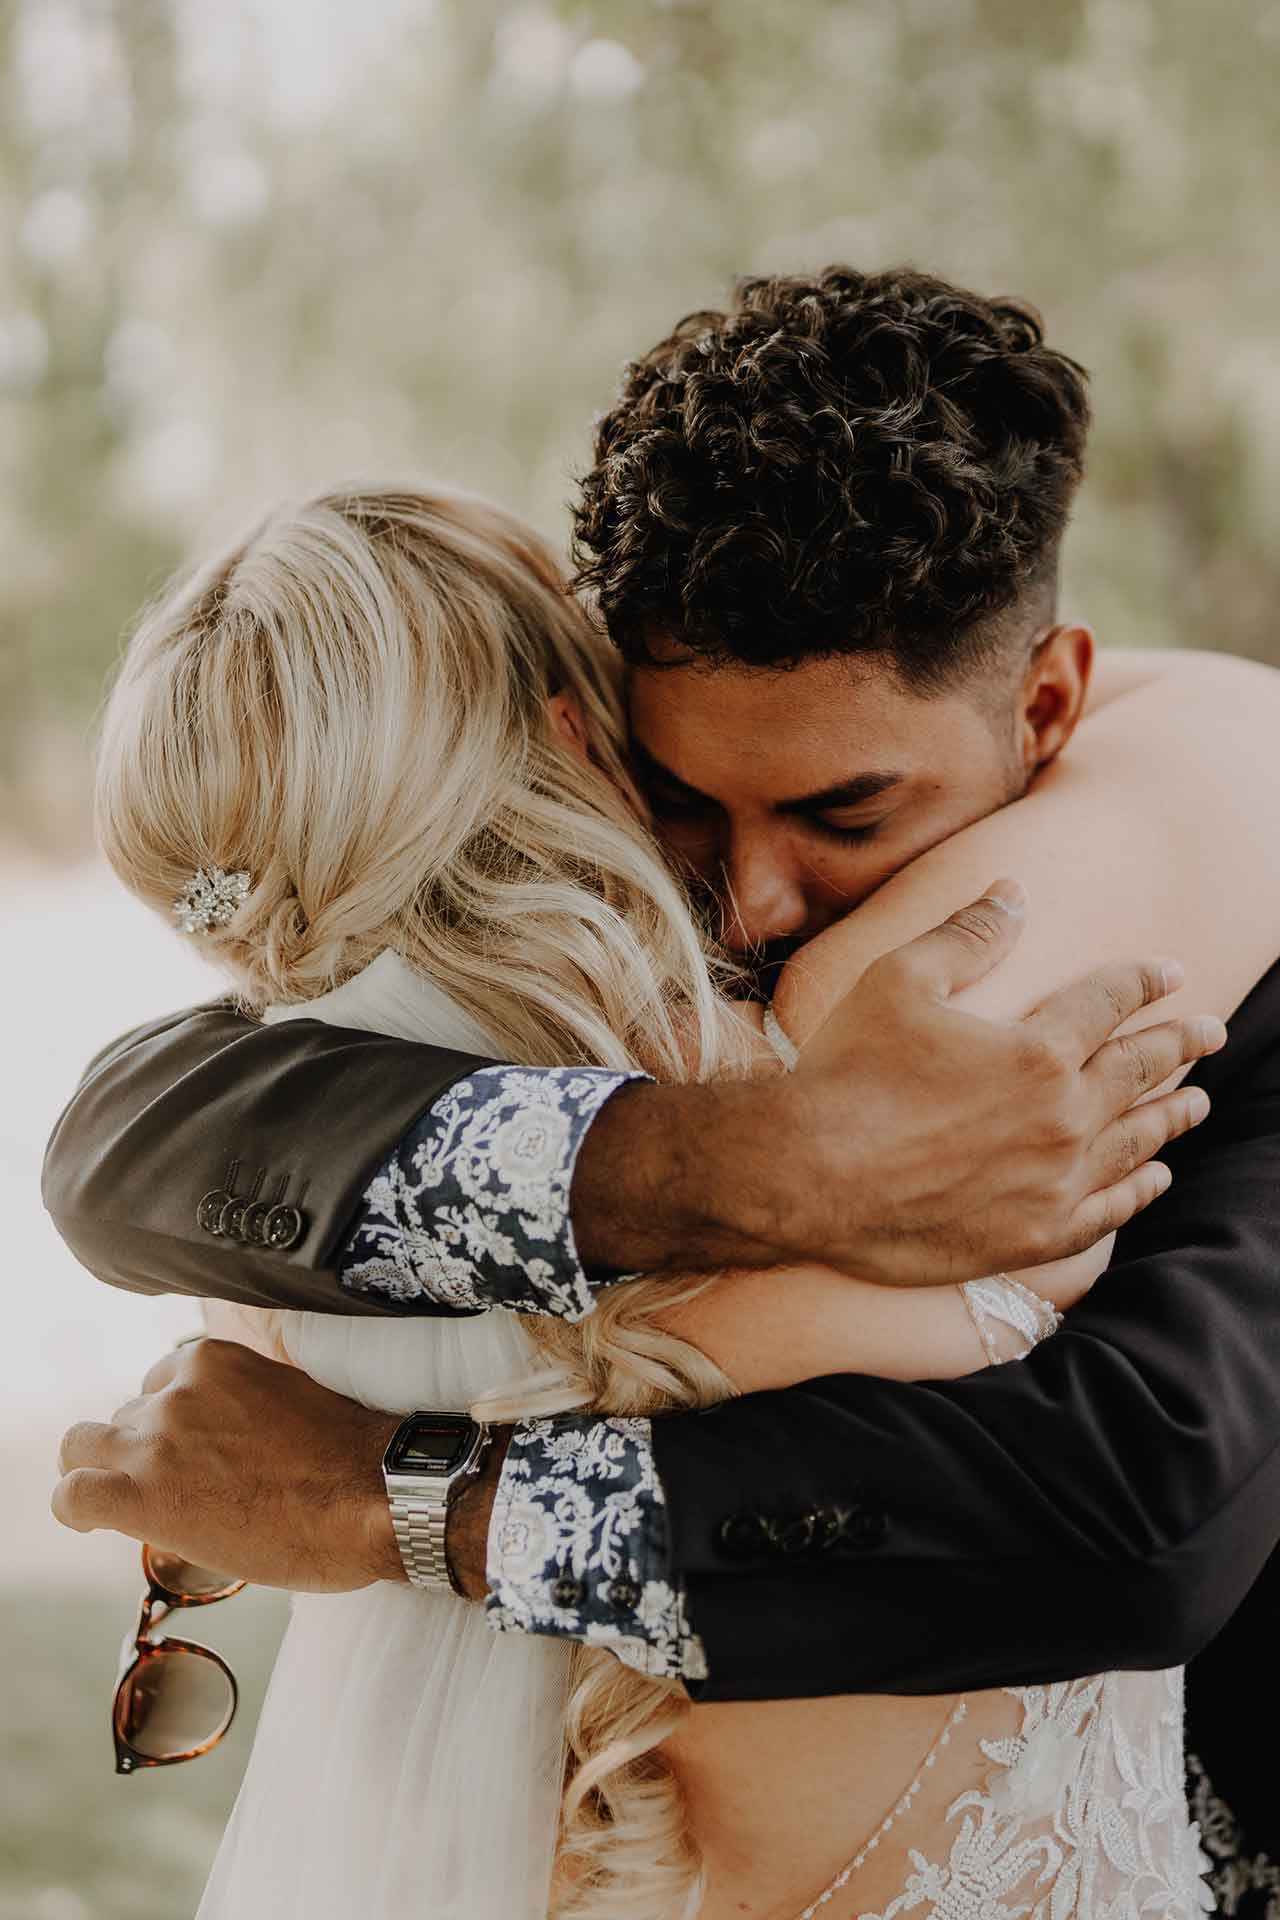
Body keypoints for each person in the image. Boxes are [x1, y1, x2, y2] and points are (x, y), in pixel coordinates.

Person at [46, 269, 1280, 1912]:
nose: (755, 900)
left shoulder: (1213, 951)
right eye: (687, 802)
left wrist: (397, 1503)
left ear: (1045, 702)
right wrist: (747, 1159)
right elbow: (127, 1145)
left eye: (844, 814)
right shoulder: (604, 1019)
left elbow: (1144, 1510)